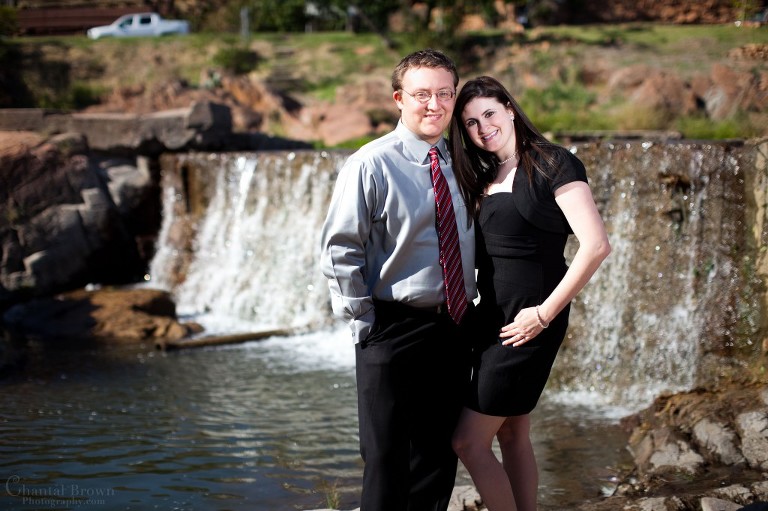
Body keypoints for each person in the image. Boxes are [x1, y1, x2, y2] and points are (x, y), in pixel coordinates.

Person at [319, 49, 477, 511]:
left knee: (436, 457)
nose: (435, 105)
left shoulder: (465, 163)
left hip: (453, 327)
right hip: (391, 326)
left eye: (444, 94)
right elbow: (340, 247)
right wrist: (364, 322)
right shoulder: (370, 164)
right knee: (385, 456)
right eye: (422, 94)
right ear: (399, 99)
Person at [448, 76, 611, 511]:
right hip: (492, 319)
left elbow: (595, 246)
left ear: (510, 108)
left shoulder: (553, 163)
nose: (483, 128)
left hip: (529, 322)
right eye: (470, 123)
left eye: (489, 114)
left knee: (467, 441)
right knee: (513, 432)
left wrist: (544, 315)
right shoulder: (484, 175)